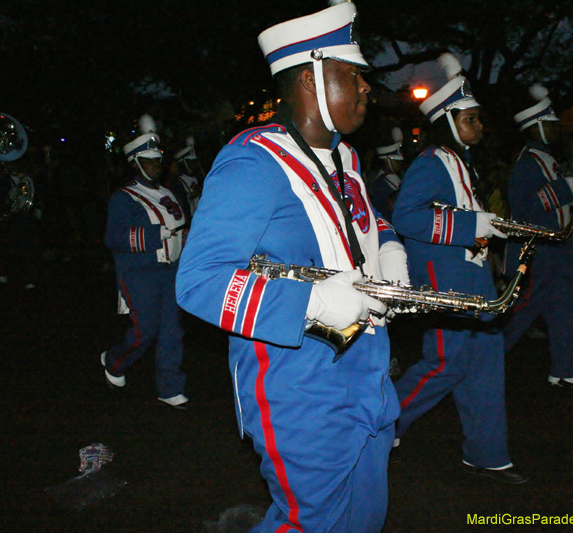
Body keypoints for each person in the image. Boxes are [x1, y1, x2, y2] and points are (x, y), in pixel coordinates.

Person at [176, 2, 407, 531]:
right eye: (354, 75)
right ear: (312, 79)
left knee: (364, 518)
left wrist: (391, 253)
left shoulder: (344, 157)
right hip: (297, 383)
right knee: (312, 523)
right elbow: (199, 281)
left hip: (368, 369)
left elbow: (368, 226)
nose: (367, 87)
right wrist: (315, 301)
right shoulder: (252, 161)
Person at [391, 53, 527, 484]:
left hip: (473, 276)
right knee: (445, 363)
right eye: (472, 119)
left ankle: (487, 453)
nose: (480, 126)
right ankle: (383, 423)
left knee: (486, 363)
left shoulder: (462, 163)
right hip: (445, 278)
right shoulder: (432, 162)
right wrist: (472, 224)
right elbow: (406, 217)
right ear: (448, 120)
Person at [503, 84, 573, 390]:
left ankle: (568, 370)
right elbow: (523, 206)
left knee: (565, 311)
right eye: (553, 125)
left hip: (557, 246)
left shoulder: (545, 159)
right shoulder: (528, 162)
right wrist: (563, 189)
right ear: (538, 126)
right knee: (522, 311)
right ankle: (481, 362)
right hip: (538, 249)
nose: (559, 130)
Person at [101, 114, 189, 408]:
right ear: (135, 162)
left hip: (171, 271)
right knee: (145, 329)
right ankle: (114, 361)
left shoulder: (168, 192)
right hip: (141, 272)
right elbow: (113, 237)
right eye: (148, 160)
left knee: (171, 333)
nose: (155, 165)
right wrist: (156, 234)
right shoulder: (124, 197)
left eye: (157, 160)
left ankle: (169, 387)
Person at [368, 126, 404, 222]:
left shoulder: (392, 178)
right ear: (389, 161)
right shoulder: (380, 183)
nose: (400, 164)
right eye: (397, 162)